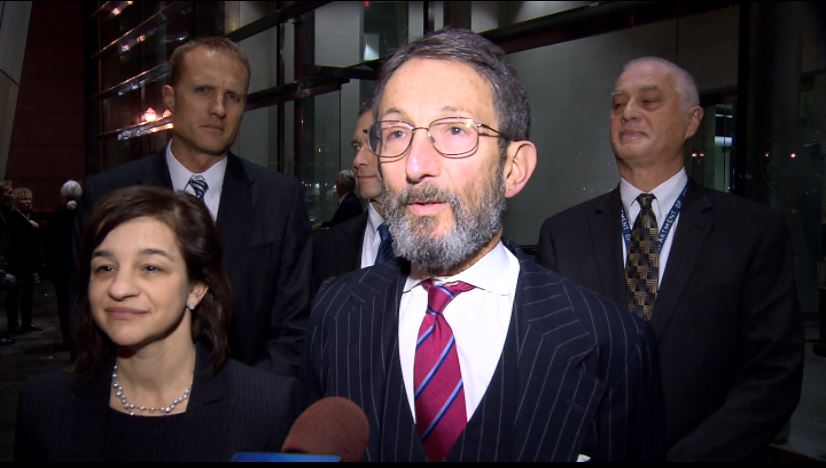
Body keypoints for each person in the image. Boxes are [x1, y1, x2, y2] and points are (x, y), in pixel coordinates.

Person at [302, 28, 665, 462]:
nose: (416, 166)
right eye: (397, 133)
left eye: (455, 130)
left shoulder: (611, 341)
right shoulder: (337, 313)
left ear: (513, 169)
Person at [536, 57, 804, 461]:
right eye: (618, 103)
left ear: (692, 121)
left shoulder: (750, 232)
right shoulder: (563, 234)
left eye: (649, 100)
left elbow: (774, 374)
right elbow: (549, 363)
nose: (628, 112)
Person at [75, 37, 312, 378]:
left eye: (233, 96)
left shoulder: (280, 200)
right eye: (203, 90)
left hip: (246, 411)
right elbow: (82, 313)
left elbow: (295, 326)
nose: (219, 108)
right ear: (170, 98)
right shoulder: (107, 193)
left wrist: (250, 406)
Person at [15, 186, 296, 462]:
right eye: (105, 268)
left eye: (150, 267)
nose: (119, 288)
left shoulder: (268, 407)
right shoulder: (44, 403)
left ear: (197, 287)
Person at [310, 99, 394, 292]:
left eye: (374, 145)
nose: (358, 160)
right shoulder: (325, 248)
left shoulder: (437, 246)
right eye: (357, 146)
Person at [46, 180, 83, 351]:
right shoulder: (84, 213)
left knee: (64, 304)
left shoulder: (57, 215)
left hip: (61, 266)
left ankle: (68, 337)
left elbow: (50, 244)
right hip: (80, 265)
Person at [5, 187, 42, 334]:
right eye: (23, 199)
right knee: (13, 293)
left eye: (29, 199)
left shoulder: (31, 214)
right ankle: (13, 324)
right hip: (16, 259)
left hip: (30, 260)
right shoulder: (12, 216)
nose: (27, 202)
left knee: (28, 293)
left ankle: (27, 322)